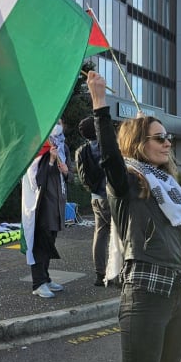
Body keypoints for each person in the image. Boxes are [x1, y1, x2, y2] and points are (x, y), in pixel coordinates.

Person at [86, 71, 181, 362]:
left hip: (177, 297)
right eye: (159, 138)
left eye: (167, 139)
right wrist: (100, 103)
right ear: (138, 143)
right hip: (145, 297)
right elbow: (109, 159)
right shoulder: (128, 183)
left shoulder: (173, 190)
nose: (167, 143)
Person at [21, 121, 69, 298]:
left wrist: (65, 171)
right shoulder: (39, 147)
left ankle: (46, 278)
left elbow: (68, 174)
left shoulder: (63, 146)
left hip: (57, 203)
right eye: (55, 121)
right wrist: (50, 160)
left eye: (60, 122)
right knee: (40, 244)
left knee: (50, 243)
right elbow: (36, 179)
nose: (58, 125)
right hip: (43, 204)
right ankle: (38, 282)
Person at [75, 116, 111, 286]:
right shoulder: (105, 147)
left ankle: (100, 273)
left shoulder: (81, 150)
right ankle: (114, 273)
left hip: (95, 197)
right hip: (110, 196)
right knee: (119, 235)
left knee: (100, 234)